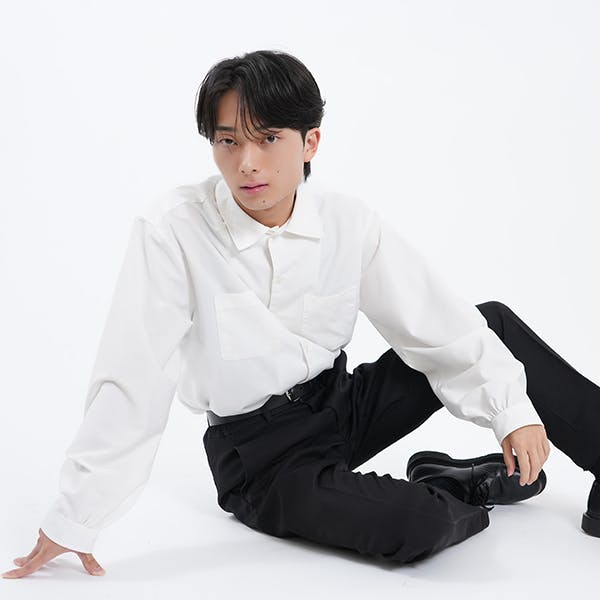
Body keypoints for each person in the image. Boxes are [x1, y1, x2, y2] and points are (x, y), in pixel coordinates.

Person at [4, 49, 600, 578]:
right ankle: (451, 487)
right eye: (228, 141)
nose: (247, 163)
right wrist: (77, 517)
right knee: (419, 526)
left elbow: (432, 320)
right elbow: (133, 376)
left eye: (268, 139)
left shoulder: (346, 222)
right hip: (263, 460)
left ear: (309, 142)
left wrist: (511, 410)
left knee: (489, 325)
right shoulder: (174, 231)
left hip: (342, 405)